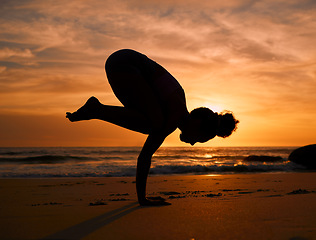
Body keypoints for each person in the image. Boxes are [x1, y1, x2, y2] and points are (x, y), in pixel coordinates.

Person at [66, 49, 239, 206]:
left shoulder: (172, 110)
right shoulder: (173, 115)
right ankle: (97, 110)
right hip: (125, 63)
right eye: (199, 139)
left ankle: (97, 109)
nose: (193, 144)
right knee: (155, 123)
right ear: (198, 124)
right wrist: (142, 199)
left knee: (150, 120)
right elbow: (145, 156)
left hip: (120, 63)